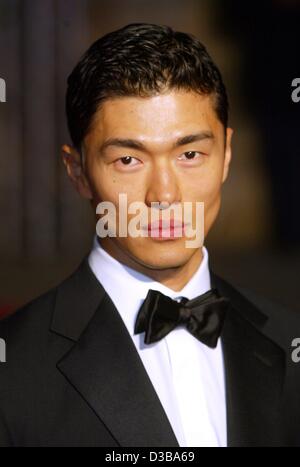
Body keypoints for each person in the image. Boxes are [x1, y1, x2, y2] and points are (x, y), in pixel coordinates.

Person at [0, 23, 299, 447]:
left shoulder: (289, 344)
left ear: (227, 156)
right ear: (78, 172)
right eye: (128, 160)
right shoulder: (12, 373)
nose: (164, 195)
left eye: (190, 154)